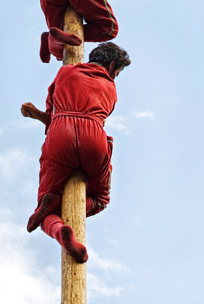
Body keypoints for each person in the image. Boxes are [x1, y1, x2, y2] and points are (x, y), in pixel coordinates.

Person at [21, 42, 131, 262]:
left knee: (44, 212)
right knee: (100, 199)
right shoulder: (111, 88)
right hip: (94, 137)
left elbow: (53, 116)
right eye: (116, 73)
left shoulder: (65, 72)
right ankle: (60, 213)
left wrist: (36, 114)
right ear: (111, 66)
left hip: (60, 133)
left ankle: (54, 218)